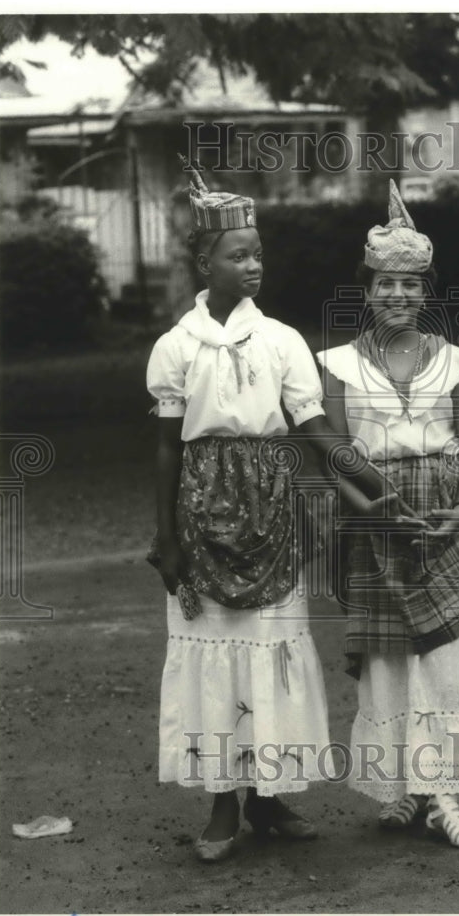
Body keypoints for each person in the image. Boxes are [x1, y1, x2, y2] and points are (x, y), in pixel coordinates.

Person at [146, 164, 368, 864]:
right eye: (237, 255)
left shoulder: (281, 342)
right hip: (202, 511)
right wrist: (166, 538)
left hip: (272, 507)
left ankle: (269, 797)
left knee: (273, 649)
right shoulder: (176, 347)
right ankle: (221, 802)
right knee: (212, 650)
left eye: (258, 254)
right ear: (203, 261)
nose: (252, 265)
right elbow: (164, 448)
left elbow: (311, 427)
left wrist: (365, 475)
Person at [317, 180, 459, 849]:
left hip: (443, 528)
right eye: (384, 284)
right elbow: (334, 456)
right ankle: (399, 789)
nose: (397, 295)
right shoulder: (333, 366)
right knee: (389, 661)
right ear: (365, 289)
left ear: (425, 293)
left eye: (409, 285)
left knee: (445, 660)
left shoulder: (455, 363)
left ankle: (445, 796)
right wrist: (372, 516)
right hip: (373, 527)